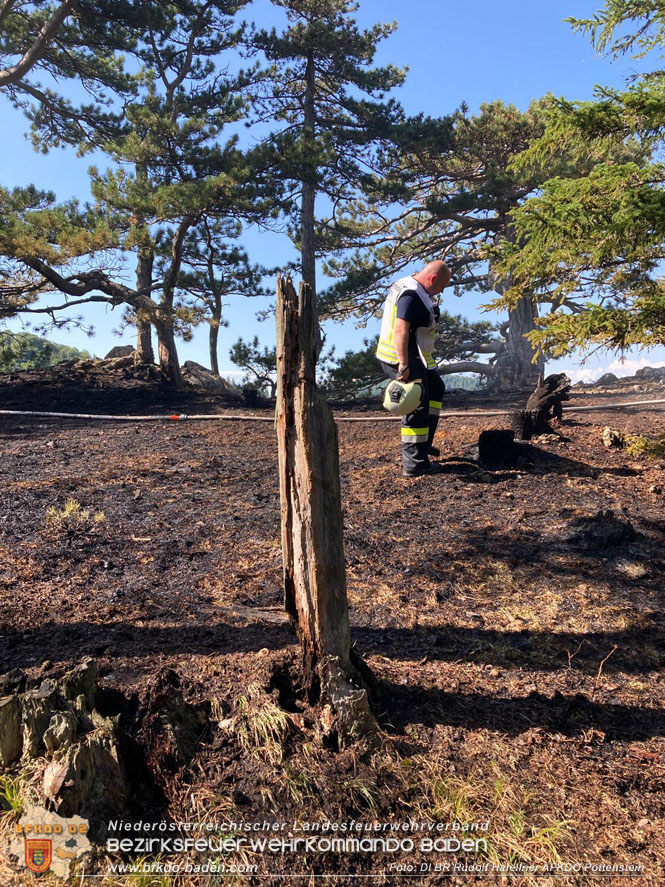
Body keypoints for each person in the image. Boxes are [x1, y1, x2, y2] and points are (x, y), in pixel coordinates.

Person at [376, 260, 451, 477]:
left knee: (436, 388)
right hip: (401, 357)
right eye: (441, 286)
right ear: (432, 279)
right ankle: (415, 464)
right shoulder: (411, 295)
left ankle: (423, 445)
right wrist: (404, 364)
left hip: (417, 355)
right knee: (416, 403)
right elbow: (400, 329)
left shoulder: (411, 285)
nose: (442, 291)